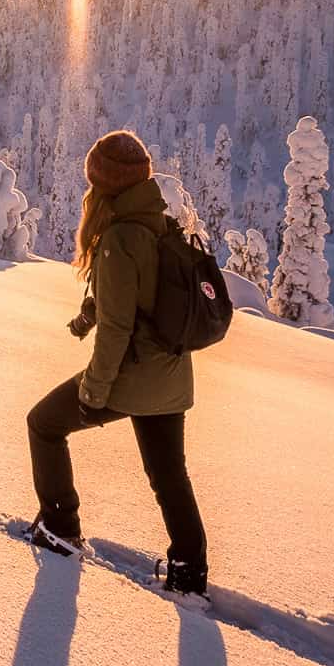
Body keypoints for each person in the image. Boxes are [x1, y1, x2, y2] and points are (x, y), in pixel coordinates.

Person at [25, 130, 209, 595]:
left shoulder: (120, 237)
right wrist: (91, 311)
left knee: (44, 424)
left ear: (105, 184)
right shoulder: (155, 222)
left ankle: (59, 528)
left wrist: (94, 391)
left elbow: (118, 330)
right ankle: (190, 573)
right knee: (169, 476)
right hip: (171, 376)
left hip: (134, 377)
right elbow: (138, 296)